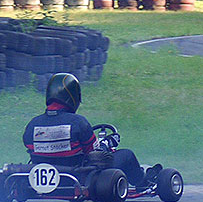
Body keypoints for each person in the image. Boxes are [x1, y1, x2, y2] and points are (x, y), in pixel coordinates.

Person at [23, 73, 159, 188]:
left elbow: (32, 150)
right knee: (126, 155)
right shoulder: (78, 122)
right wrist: (108, 142)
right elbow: (94, 154)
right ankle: (143, 182)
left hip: (47, 176)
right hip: (80, 176)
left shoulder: (32, 125)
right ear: (73, 97)